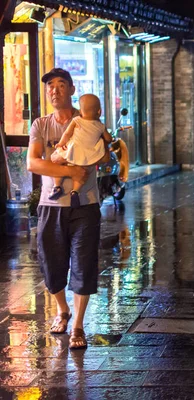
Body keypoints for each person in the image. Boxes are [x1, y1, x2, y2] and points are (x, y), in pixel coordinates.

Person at [26, 68, 110, 350]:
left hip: (85, 205)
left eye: (61, 85)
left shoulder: (89, 120)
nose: (55, 90)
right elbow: (33, 163)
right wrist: (73, 172)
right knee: (51, 263)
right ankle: (63, 309)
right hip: (51, 205)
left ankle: (77, 326)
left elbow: (104, 157)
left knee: (84, 264)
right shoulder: (41, 124)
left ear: (72, 90)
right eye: (51, 85)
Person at [49, 94, 111, 208]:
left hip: (72, 151)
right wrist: (106, 136)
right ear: (99, 112)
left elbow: (67, 134)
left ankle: (57, 186)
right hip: (87, 156)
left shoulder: (77, 120)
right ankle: (75, 192)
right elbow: (108, 139)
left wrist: (60, 144)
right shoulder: (100, 126)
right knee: (82, 173)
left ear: (81, 111)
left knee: (56, 163)